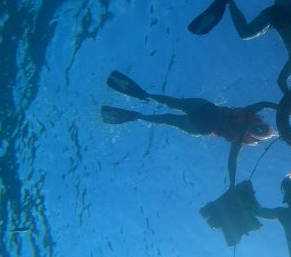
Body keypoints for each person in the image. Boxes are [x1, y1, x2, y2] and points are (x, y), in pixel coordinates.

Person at [100, 70, 276, 187]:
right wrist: (279, 107)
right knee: (174, 103)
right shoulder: (250, 112)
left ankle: (136, 116)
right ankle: (145, 95)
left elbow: (232, 162)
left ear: (255, 137)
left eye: (258, 133)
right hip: (205, 109)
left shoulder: (239, 140)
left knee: (167, 119)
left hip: (201, 126)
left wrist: (231, 184)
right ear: (261, 122)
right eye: (261, 127)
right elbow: (263, 103)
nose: (257, 128)